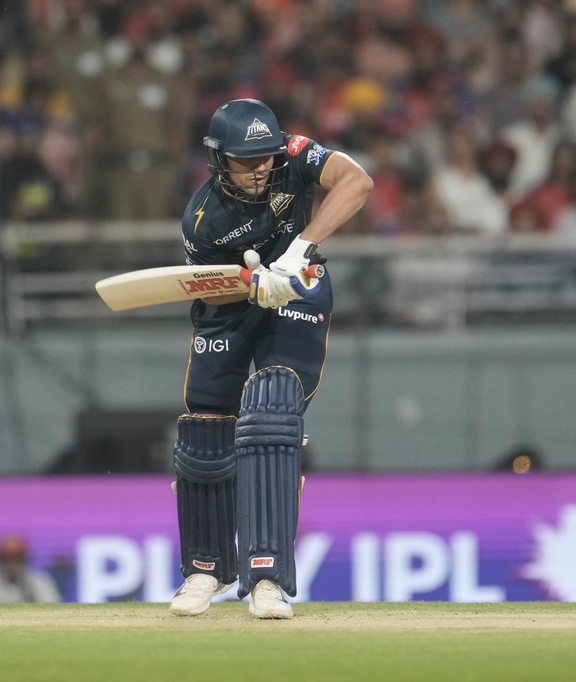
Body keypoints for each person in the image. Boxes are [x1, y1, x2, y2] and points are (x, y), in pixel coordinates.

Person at [169, 99, 372, 619]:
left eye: (265, 157)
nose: (260, 168)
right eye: (245, 160)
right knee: (205, 428)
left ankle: (267, 576)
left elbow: (357, 182)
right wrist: (247, 285)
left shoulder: (295, 155)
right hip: (228, 305)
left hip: (298, 288)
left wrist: (298, 251)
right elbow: (207, 292)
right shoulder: (201, 219)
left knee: (272, 413)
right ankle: (207, 568)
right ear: (219, 159)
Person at [0, 535, 63, 603]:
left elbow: (52, 605)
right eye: (8, 561)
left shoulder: (40, 582)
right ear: (1, 561)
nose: (12, 566)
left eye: (17, 560)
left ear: (24, 560)